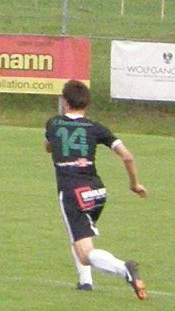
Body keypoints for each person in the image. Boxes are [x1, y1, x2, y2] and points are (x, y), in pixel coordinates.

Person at [44, 79, 147, 299]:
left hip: (73, 192)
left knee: (85, 252)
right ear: (87, 104)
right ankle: (85, 281)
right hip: (97, 191)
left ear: (64, 102)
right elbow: (128, 157)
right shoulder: (96, 127)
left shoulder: (53, 124)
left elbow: (48, 146)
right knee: (79, 235)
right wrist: (134, 184)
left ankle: (125, 269)